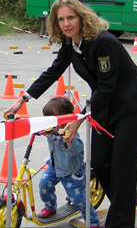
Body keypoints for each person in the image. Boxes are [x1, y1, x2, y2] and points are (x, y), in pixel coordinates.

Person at [3, 0, 137, 227]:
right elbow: (53, 71)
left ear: (82, 18)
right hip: (104, 110)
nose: (66, 24)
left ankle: (121, 218)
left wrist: (79, 119)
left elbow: (105, 87)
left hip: (129, 109)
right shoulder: (70, 44)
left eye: (70, 18)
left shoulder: (105, 43)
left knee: (123, 170)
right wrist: (25, 97)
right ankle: (127, 199)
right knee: (102, 163)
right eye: (61, 20)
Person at [37, 96, 101, 227]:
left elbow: (78, 150)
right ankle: (50, 205)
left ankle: (93, 221)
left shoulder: (70, 134)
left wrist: (68, 141)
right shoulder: (50, 129)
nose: (51, 124)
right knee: (44, 184)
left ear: (65, 119)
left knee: (78, 199)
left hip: (71, 171)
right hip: (55, 167)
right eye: (49, 120)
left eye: (54, 120)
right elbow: (37, 128)